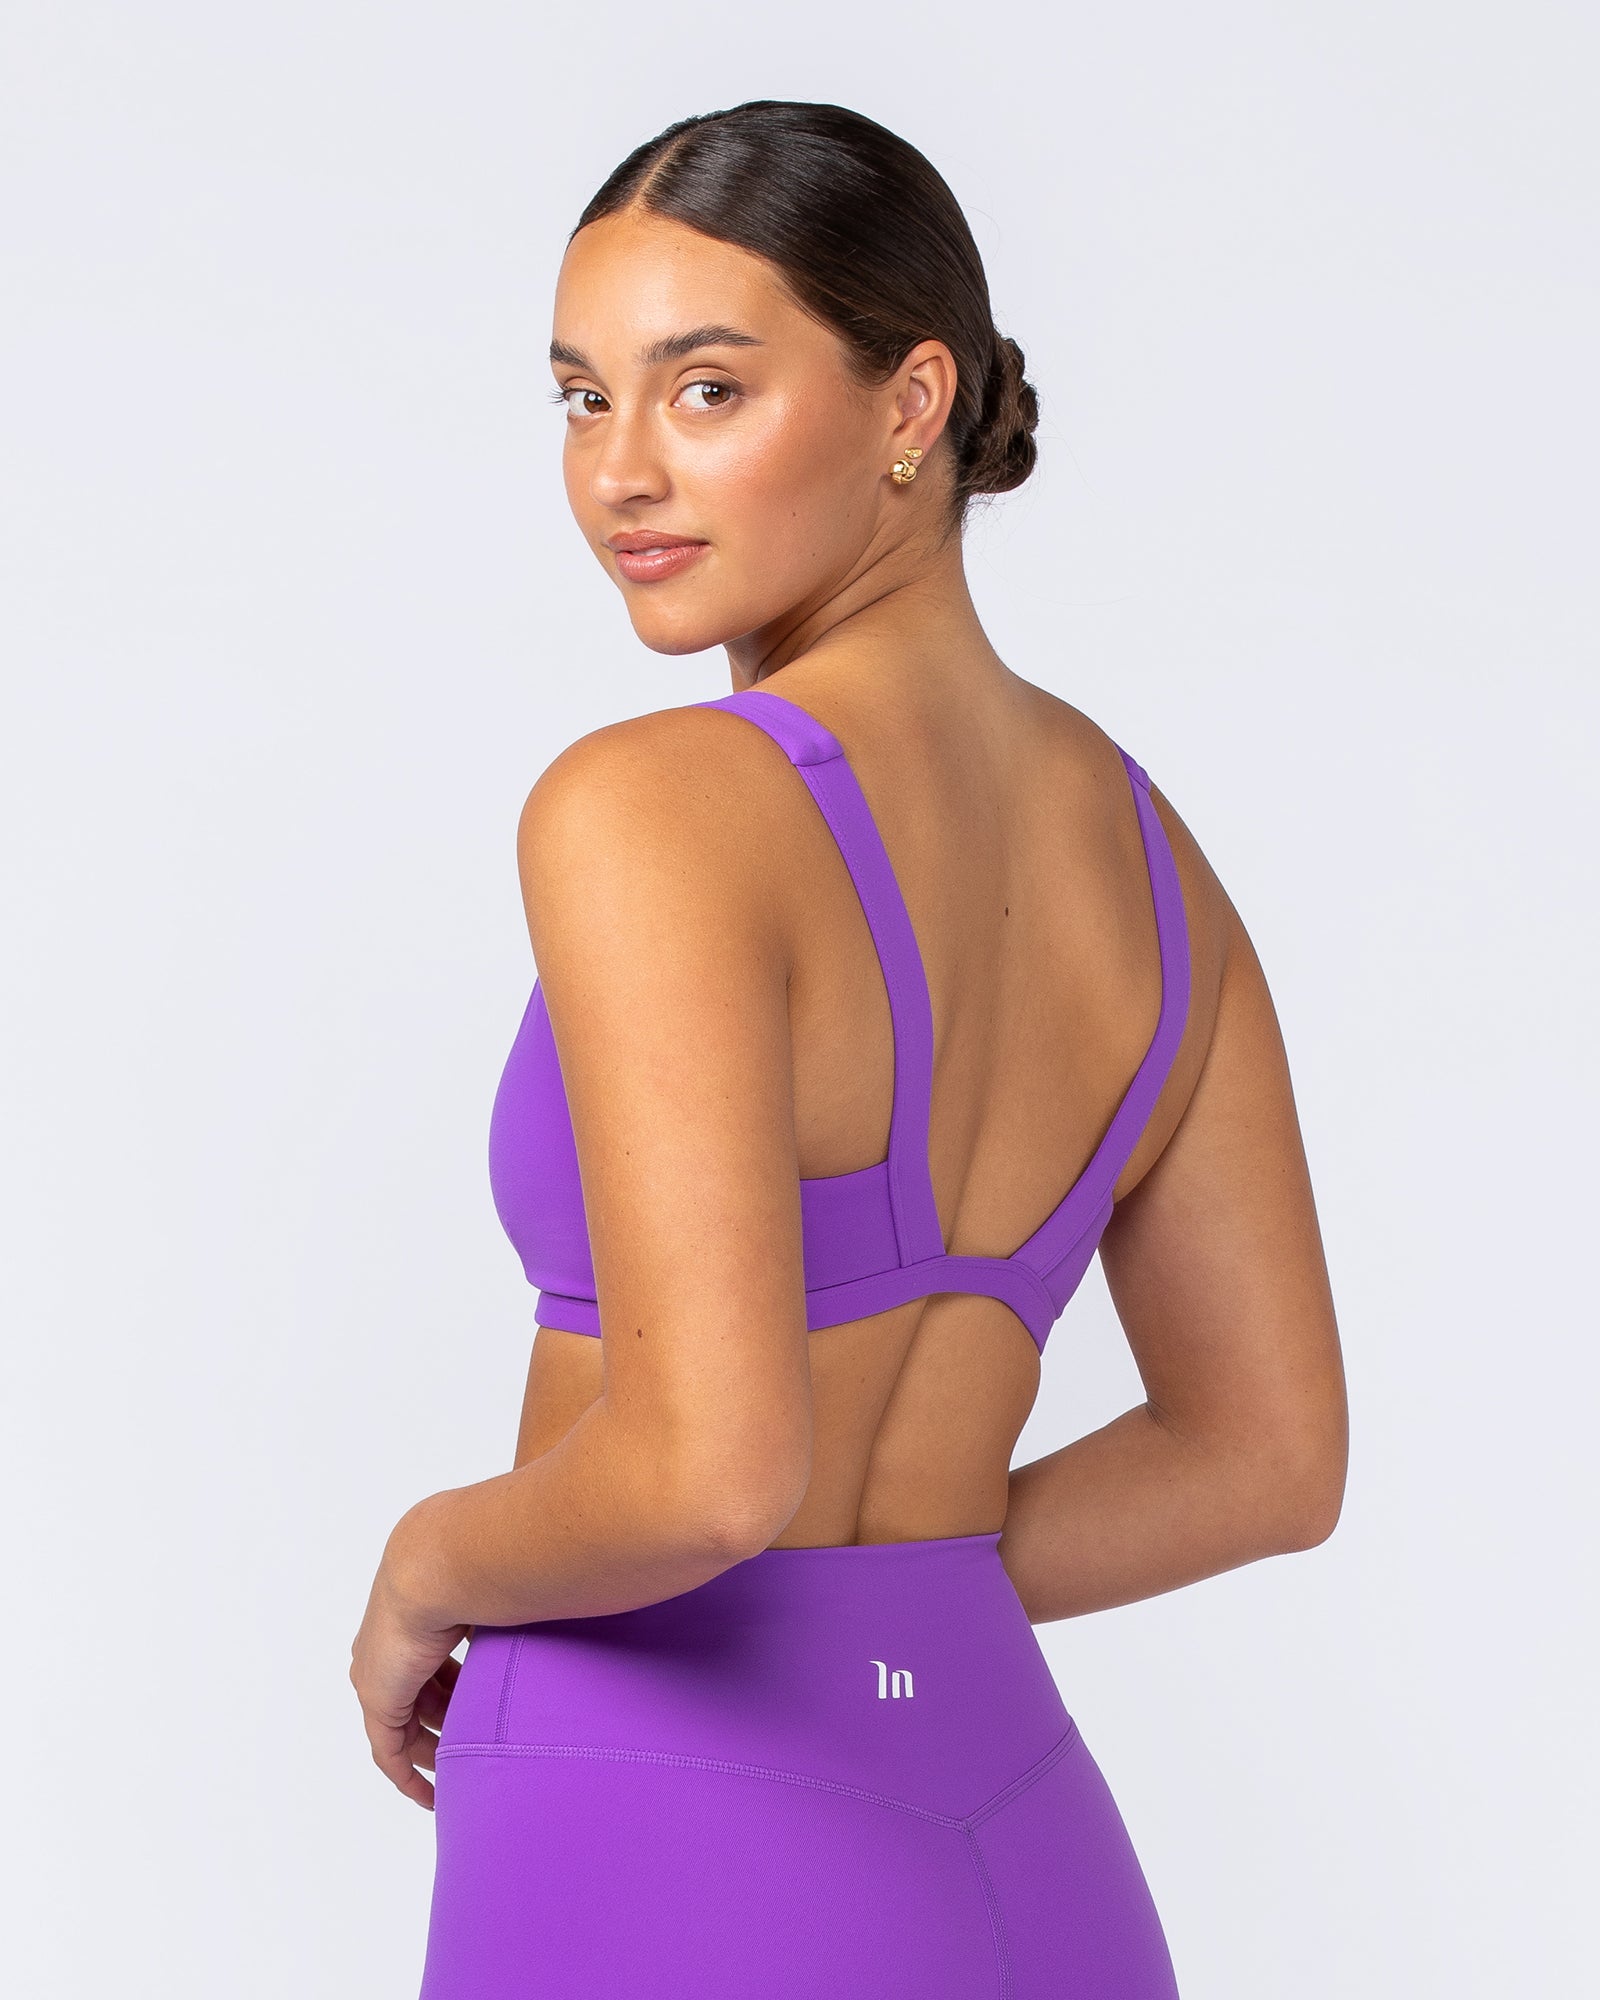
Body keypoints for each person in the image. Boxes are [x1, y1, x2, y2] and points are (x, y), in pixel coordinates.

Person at [349, 98, 1348, 1998]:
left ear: (913, 403)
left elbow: (709, 1472)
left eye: (705, 390)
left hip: (661, 1825)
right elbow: (1266, 1458)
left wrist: (423, 1569)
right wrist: (901, 1600)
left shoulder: (653, 805)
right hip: (1021, 1826)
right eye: (582, 399)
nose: (620, 471)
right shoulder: (1154, 863)